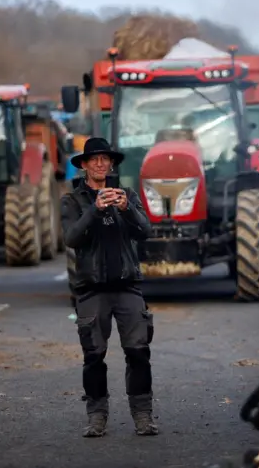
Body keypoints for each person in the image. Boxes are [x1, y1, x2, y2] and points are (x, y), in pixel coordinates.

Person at [60, 137, 157, 438]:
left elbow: (145, 231)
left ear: (111, 164)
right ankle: (97, 416)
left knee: (138, 353)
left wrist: (127, 208)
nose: (100, 163)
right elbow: (71, 238)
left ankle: (143, 415)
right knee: (93, 357)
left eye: (105, 159)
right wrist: (94, 210)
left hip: (127, 286)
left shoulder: (125, 195)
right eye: (94, 159)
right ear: (85, 166)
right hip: (91, 289)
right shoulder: (72, 201)